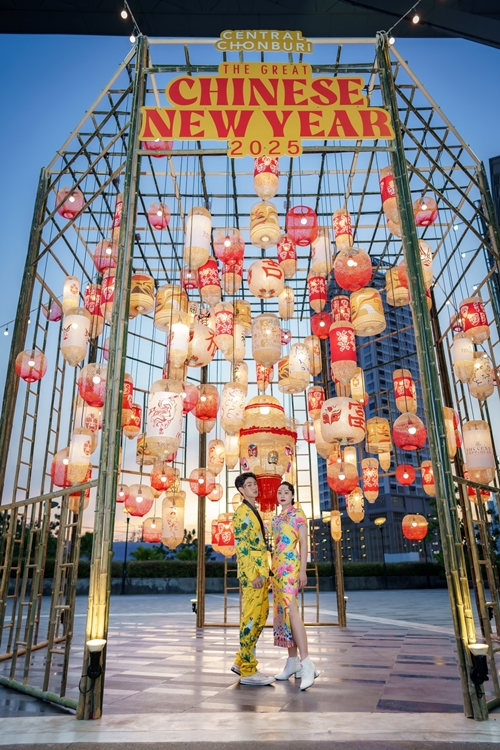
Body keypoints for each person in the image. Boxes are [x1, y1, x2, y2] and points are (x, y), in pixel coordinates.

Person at [231, 472, 275, 686]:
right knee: (251, 618)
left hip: (261, 571)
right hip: (253, 574)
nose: (254, 487)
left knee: (261, 615)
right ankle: (248, 670)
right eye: (249, 485)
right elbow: (241, 547)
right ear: (241, 490)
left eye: (254, 484)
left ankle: (241, 660)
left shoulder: (252, 510)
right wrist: (253, 574)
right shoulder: (241, 512)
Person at [271, 481, 316, 690]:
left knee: (291, 611)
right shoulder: (276, 519)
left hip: (291, 567)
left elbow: (305, 544)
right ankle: (292, 663)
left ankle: (306, 664)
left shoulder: (298, 514)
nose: (282, 494)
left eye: (286, 492)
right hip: (276, 568)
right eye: (279, 492)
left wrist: (303, 570)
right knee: (282, 614)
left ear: (292, 495)